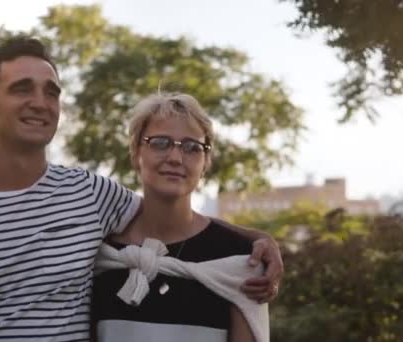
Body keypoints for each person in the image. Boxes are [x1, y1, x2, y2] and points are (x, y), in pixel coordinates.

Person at [0, 37, 282, 341]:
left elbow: (169, 214)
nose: (40, 102)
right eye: (22, 89)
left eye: (51, 92)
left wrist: (261, 238)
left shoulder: (90, 194)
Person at [90, 93, 270, 342]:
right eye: (160, 143)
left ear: (205, 162)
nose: (175, 158)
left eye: (192, 147)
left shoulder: (239, 261)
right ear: (135, 153)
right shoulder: (100, 256)